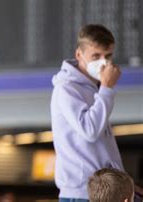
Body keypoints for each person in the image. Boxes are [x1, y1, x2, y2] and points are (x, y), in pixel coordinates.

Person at [51, 24, 139, 201]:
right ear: (79, 55)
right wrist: (106, 88)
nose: (104, 62)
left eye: (108, 56)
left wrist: (125, 186)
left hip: (103, 192)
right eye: (96, 56)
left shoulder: (94, 90)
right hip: (82, 193)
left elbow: (102, 149)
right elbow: (89, 131)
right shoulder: (66, 89)